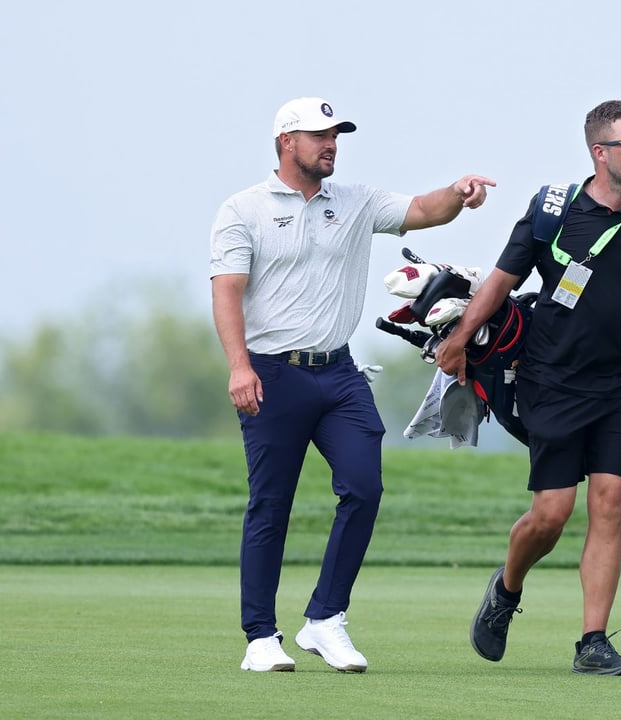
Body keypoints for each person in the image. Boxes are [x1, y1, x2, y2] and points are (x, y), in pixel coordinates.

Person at [209, 97, 495, 673]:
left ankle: (324, 620)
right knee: (272, 504)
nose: (331, 143)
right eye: (319, 135)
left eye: (336, 134)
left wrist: (458, 193)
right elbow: (227, 291)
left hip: (339, 374)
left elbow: (422, 210)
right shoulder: (243, 210)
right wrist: (239, 366)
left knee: (364, 487)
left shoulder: (357, 201)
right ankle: (260, 638)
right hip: (271, 372)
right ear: (287, 142)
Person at [434, 100, 621, 676]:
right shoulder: (551, 212)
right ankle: (506, 590)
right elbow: (503, 281)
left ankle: (593, 643)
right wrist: (459, 337)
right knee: (551, 514)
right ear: (599, 152)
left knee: (609, 504)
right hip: (550, 380)